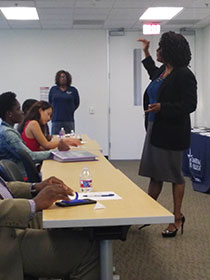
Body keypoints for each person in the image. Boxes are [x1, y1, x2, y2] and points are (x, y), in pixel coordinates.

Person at [137, 32, 197, 237]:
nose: (157, 50)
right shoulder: (163, 70)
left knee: (173, 175)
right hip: (155, 129)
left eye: (160, 47)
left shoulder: (184, 75)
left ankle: (177, 218)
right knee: (155, 174)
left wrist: (163, 107)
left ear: (170, 51)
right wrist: (145, 52)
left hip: (172, 132)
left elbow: (190, 105)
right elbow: (151, 70)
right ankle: (145, 214)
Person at [0, 175, 99, 279]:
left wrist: (35, 187)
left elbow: (3, 187)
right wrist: (34, 204)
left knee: (66, 219)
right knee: (89, 250)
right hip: (5, 239)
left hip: (8, 223)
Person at [0, 92, 52, 177]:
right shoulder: (8, 134)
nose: (22, 112)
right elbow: (30, 156)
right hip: (24, 177)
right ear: (9, 114)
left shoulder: (7, 130)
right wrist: (53, 154)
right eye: (18, 109)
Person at [49, 70, 80, 134]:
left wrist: (70, 110)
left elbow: (76, 103)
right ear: (58, 78)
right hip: (56, 120)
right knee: (56, 140)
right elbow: (50, 102)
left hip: (69, 120)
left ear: (67, 78)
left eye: (64, 77)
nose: (63, 79)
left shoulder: (73, 90)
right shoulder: (53, 89)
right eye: (61, 77)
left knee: (70, 139)